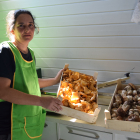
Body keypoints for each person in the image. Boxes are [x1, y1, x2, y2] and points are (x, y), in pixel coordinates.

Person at [0, 9, 63, 140]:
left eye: (30, 25)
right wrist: (41, 101)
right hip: (10, 126)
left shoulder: (31, 54)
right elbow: (3, 91)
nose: (27, 29)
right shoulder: (6, 51)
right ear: (12, 30)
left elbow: (31, 81)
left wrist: (56, 80)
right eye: (21, 25)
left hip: (29, 122)